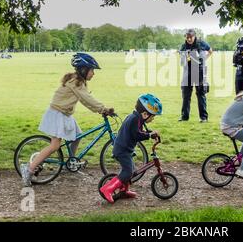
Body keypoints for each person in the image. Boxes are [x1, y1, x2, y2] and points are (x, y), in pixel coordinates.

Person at [20, 53, 113, 187]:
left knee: (77, 137)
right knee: (55, 145)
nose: (93, 73)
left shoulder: (78, 82)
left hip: (65, 115)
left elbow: (85, 99)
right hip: (57, 114)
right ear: (83, 69)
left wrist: (100, 109)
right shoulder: (75, 82)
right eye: (92, 70)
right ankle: (28, 168)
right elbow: (87, 99)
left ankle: (71, 163)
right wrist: (103, 109)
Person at [99, 94, 162, 203]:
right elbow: (136, 135)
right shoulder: (134, 119)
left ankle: (124, 191)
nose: (152, 119)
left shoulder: (136, 118)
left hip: (125, 149)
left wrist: (150, 133)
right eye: (152, 116)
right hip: (122, 150)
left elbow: (139, 131)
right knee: (127, 172)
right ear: (145, 114)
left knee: (131, 171)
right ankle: (107, 189)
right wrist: (149, 135)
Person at [178, 29, 213, 122]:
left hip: (199, 71)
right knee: (186, 94)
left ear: (194, 36)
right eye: (187, 37)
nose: (189, 39)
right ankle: (184, 117)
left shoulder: (201, 43)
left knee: (201, 94)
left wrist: (203, 60)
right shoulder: (183, 46)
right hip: (187, 71)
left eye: (191, 37)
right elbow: (181, 59)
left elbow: (210, 51)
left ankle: (203, 118)